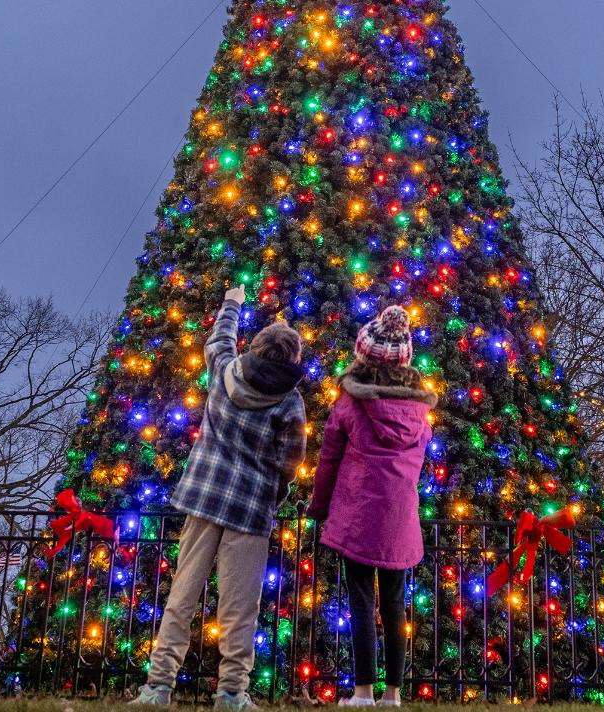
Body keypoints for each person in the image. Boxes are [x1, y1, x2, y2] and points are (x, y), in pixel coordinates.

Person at [133, 283, 307, 710]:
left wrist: (233, 301)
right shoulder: (291, 403)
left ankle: (158, 687)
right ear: (293, 360)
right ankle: (231, 692)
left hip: (204, 499)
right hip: (249, 509)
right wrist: (273, 496)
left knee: (182, 594)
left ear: (257, 348)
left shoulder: (224, 370)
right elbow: (289, 464)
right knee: (239, 609)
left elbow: (220, 338)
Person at [309, 305, 436, 707]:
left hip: (358, 515)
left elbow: (328, 459)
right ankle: (393, 694)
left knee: (362, 601)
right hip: (399, 518)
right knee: (395, 603)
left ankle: (362, 691)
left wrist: (318, 507)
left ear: (365, 354)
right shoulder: (421, 415)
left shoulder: (349, 403)